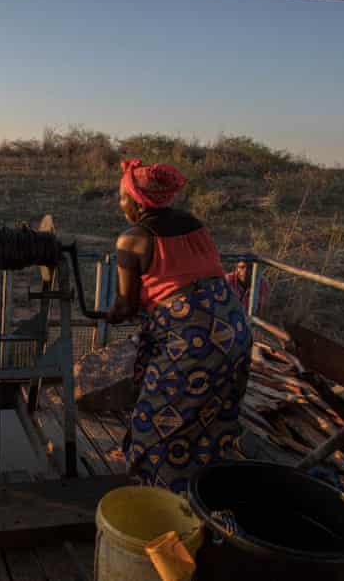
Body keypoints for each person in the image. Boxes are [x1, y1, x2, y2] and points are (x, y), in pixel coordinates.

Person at [105, 159, 251, 494]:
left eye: (122, 196)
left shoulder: (133, 239)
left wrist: (110, 314)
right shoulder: (194, 223)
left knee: (156, 419)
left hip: (193, 339)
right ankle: (206, 491)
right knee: (211, 416)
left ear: (138, 200)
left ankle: (160, 496)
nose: (120, 203)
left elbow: (126, 305)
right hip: (234, 325)